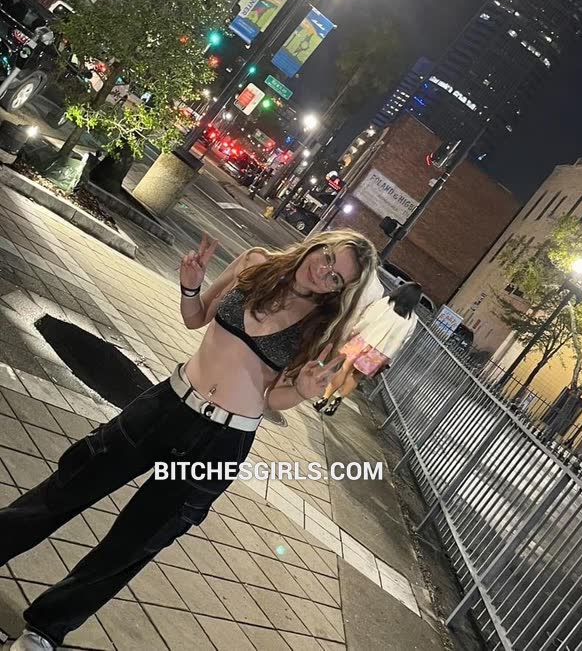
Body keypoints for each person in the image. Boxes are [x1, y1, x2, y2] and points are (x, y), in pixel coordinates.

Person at [0, 229, 377, 651]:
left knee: (132, 545)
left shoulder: (321, 330)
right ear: (319, 245)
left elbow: (273, 397)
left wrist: (302, 392)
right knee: (68, 487)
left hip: (221, 444)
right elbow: (195, 317)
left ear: (338, 291)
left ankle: (45, 630)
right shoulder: (254, 263)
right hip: (167, 406)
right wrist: (191, 286)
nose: (323, 271)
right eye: (328, 257)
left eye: (335, 277)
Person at [314, 282, 422, 416]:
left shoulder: (387, 302)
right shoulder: (413, 320)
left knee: (344, 369)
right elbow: (402, 342)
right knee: (356, 377)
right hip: (380, 353)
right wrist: (389, 360)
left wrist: (354, 331)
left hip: (365, 340)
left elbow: (368, 319)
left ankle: (324, 398)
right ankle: (337, 400)